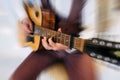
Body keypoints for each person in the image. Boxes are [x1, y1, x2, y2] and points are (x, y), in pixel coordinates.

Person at [9, 0, 97, 80]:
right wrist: (23, 17)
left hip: (76, 46)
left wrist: (69, 45)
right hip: (44, 44)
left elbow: (91, 30)